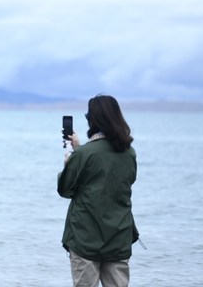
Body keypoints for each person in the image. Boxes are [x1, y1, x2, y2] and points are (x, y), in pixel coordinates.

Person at [58, 95, 138, 287]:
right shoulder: (129, 153)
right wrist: (79, 150)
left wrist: (71, 161)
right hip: (118, 237)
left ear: (92, 120)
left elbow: (65, 189)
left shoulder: (84, 154)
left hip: (85, 239)